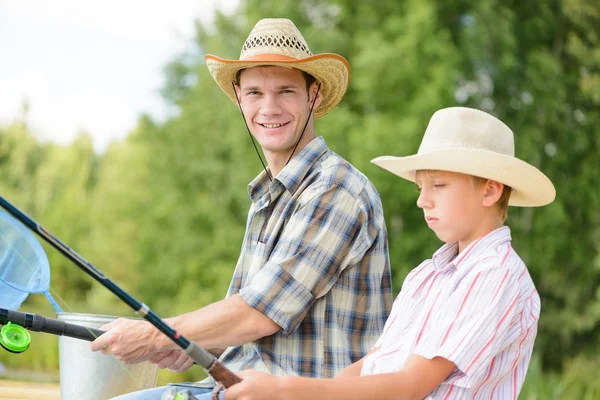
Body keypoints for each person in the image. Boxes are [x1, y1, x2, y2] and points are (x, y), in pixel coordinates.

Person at [90, 18, 393, 399]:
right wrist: (185, 344)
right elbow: (242, 326)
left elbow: (258, 314)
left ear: (312, 95)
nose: (269, 108)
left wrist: (156, 332)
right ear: (238, 97)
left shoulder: (335, 190)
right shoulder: (267, 196)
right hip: (235, 389)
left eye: (285, 91)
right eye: (254, 93)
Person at [218, 107, 556, 400]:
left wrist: (281, 390)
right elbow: (372, 367)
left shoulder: (495, 274)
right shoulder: (426, 276)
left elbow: (409, 387)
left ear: (490, 191)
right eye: (420, 188)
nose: (423, 200)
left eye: (438, 186)